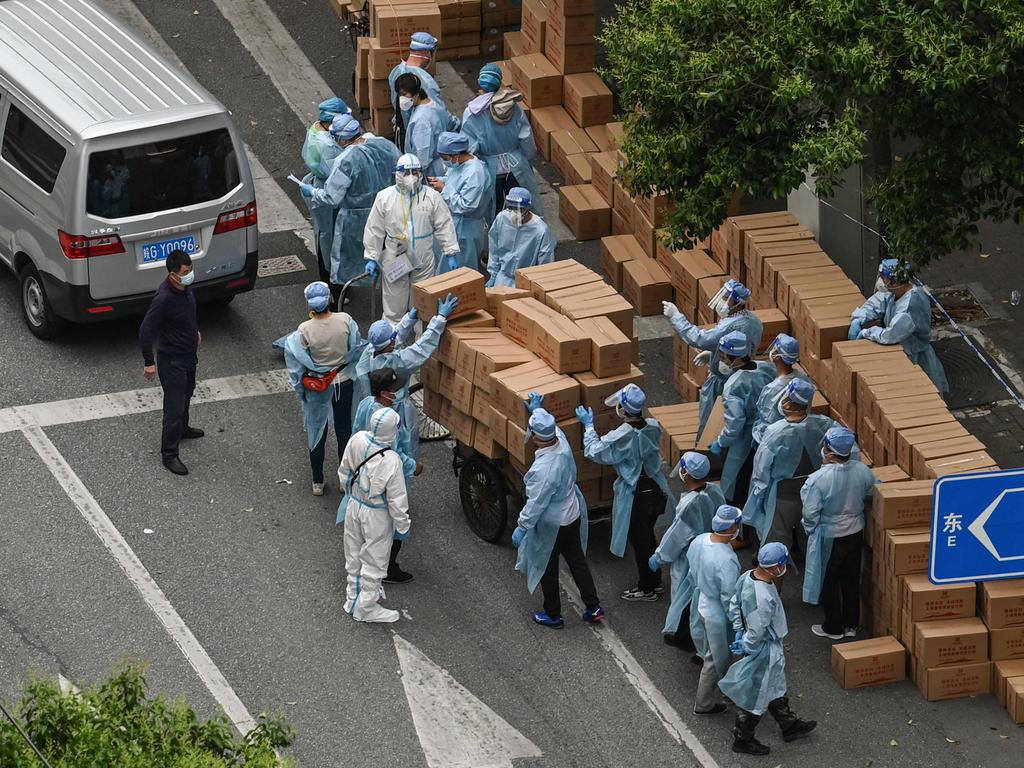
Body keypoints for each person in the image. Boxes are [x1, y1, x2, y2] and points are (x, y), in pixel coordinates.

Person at [577, 384, 675, 601]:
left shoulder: (621, 435)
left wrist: (589, 427)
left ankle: (646, 588)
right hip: (654, 490)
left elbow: (596, 451)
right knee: (648, 536)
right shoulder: (652, 426)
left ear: (623, 409)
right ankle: (655, 580)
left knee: (640, 542)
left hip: (636, 496)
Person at [512, 398, 604, 628]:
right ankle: (593, 606)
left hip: (553, 524)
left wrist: (522, 526)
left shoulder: (544, 469)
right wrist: (539, 411)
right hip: (572, 514)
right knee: (577, 561)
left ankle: (553, 613)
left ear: (535, 437)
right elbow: (556, 431)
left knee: (546, 566)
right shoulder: (560, 444)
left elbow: (536, 503)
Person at [719, 542, 817, 755]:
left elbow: (734, 603)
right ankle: (742, 738)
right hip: (763, 649)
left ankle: (788, 724)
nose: (784, 569)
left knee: (774, 685)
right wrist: (747, 643)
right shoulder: (763, 597)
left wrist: (738, 629)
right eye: (782, 565)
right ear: (774, 568)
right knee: (756, 694)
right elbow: (756, 630)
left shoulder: (748, 576)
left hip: (761, 645)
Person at [743, 378, 853, 558]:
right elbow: (847, 447)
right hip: (812, 488)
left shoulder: (775, 432)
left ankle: (775, 566)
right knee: (807, 533)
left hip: (782, 493)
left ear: (789, 402)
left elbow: (760, 471)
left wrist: (758, 497)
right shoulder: (824, 424)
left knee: (778, 535)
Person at [300, 115, 401, 305]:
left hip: (354, 219)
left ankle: (336, 303)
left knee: (344, 263)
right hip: (384, 212)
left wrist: (312, 191)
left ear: (343, 139)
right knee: (387, 257)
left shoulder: (346, 159)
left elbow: (331, 197)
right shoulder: (382, 144)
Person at [276, 282, 364, 495]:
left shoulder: (304, 330)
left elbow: (296, 366)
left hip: (317, 386)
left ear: (310, 305)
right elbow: (356, 348)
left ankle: (317, 481)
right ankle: (346, 480)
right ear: (329, 300)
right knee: (344, 430)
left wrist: (300, 390)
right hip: (344, 382)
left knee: (317, 432)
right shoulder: (346, 321)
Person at [353, 294, 460, 464]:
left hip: (378, 407)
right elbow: (421, 347)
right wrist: (440, 318)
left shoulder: (372, 351)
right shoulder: (397, 363)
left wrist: (409, 319)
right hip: (396, 411)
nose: (396, 339)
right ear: (389, 345)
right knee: (401, 448)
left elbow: (395, 338)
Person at [801, 427, 879, 640]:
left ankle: (833, 627)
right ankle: (851, 624)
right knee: (851, 578)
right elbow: (874, 492)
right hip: (855, 532)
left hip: (830, 535)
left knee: (829, 581)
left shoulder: (818, 479)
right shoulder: (862, 470)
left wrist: (811, 530)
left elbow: (810, 513)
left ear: (830, 452)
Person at [363, 154, 460, 323]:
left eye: (415, 172)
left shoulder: (431, 197)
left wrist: (450, 251)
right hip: (396, 257)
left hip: (424, 257)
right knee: (394, 304)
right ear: (397, 174)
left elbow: (444, 224)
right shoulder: (385, 197)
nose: (411, 177)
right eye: (406, 172)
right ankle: (391, 340)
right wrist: (372, 256)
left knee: (422, 303)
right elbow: (374, 229)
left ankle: (421, 341)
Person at [663, 279, 764, 440]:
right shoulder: (754, 321)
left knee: (711, 421)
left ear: (738, 303)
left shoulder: (729, 325)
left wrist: (676, 317)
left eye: (726, 298)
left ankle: (705, 447)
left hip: (724, 379)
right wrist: (714, 354)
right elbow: (743, 348)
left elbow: (700, 339)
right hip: (740, 373)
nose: (722, 301)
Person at [337, 408, 411, 623]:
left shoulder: (357, 439)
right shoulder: (392, 460)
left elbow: (344, 471)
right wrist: (403, 525)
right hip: (377, 514)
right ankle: (367, 607)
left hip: (354, 504)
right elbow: (397, 500)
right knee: (375, 561)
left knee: (353, 554)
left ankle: (352, 599)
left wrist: (352, 495)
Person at [650, 452, 726, 649]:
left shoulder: (689, 504)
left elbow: (676, 536)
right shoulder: (714, 491)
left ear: (687, 473)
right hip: (713, 548)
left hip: (690, 556)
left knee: (685, 596)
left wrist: (659, 556)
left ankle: (685, 636)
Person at [352, 367, 422, 584]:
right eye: (395, 389)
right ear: (384, 393)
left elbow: (356, 435)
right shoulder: (388, 421)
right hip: (386, 482)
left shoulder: (365, 405)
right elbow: (395, 454)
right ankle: (388, 567)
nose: (399, 392)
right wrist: (413, 466)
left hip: (365, 480)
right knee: (393, 527)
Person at [139, 249, 203, 476]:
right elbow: (146, 331)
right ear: (173, 275)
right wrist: (149, 362)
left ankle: (183, 429)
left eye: (191, 269)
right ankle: (169, 454)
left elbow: (188, 314)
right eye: (186, 272)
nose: (190, 275)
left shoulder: (186, 289)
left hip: (188, 355)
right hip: (172, 360)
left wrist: (194, 331)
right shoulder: (164, 298)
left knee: (188, 392)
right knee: (173, 407)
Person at [849, 258, 949, 394]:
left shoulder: (911, 306)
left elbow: (891, 335)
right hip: (901, 350)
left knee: (919, 394)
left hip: (913, 355)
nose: (882, 281)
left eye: (884, 278)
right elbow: (877, 302)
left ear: (895, 281)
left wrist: (867, 332)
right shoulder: (894, 292)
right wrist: (859, 318)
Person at [461, 63, 541, 217]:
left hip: (490, 168)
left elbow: (469, 147)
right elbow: (526, 138)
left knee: (494, 211)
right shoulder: (513, 107)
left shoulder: (472, 113)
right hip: (516, 166)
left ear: (480, 82)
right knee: (521, 210)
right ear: (499, 82)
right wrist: (527, 160)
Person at [707, 331, 775, 505]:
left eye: (723, 356)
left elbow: (735, 423)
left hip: (745, 438)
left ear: (735, 357)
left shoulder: (733, 385)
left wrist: (721, 442)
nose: (722, 360)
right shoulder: (765, 368)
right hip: (769, 430)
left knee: (738, 479)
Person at [687, 505, 742, 715]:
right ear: (733, 527)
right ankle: (704, 703)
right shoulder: (726, 560)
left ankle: (722, 693)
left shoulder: (700, 540)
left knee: (712, 654)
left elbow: (692, 570)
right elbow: (729, 597)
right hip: (717, 614)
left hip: (701, 601)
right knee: (716, 658)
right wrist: (739, 624)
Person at [427, 132, 491, 272]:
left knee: (461, 272)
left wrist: (444, 189)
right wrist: (440, 181)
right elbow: (454, 180)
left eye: (445, 158)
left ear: (455, 155)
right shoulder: (460, 164)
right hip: (454, 224)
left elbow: (466, 205)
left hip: (465, 230)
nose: (444, 161)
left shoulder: (475, 173)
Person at [300, 97, 350, 279]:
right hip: (325, 188)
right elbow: (336, 172)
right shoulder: (328, 144)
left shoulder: (316, 128)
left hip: (318, 183)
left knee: (323, 234)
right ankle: (330, 281)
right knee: (328, 237)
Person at [388, 32, 457, 148]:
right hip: (422, 134)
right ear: (427, 53)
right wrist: (456, 124)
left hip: (402, 131)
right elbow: (439, 112)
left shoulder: (396, 71)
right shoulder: (425, 80)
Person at [485, 188, 555, 287]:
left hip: (526, 282)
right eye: (511, 208)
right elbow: (494, 249)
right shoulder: (502, 219)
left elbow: (545, 264)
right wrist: (493, 275)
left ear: (528, 208)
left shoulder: (540, 230)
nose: (515, 212)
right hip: (502, 278)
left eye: (520, 209)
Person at [751, 334, 810, 445]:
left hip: (776, 441)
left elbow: (767, 419)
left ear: (778, 356)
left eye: (775, 349)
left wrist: (758, 435)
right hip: (798, 436)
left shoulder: (772, 390)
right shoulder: (803, 379)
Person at [395, 72, 448, 180]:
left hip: (429, 173)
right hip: (439, 164)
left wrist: (414, 175)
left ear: (416, 93)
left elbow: (422, 157)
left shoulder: (421, 122)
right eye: (400, 95)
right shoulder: (430, 104)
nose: (402, 98)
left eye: (405, 94)